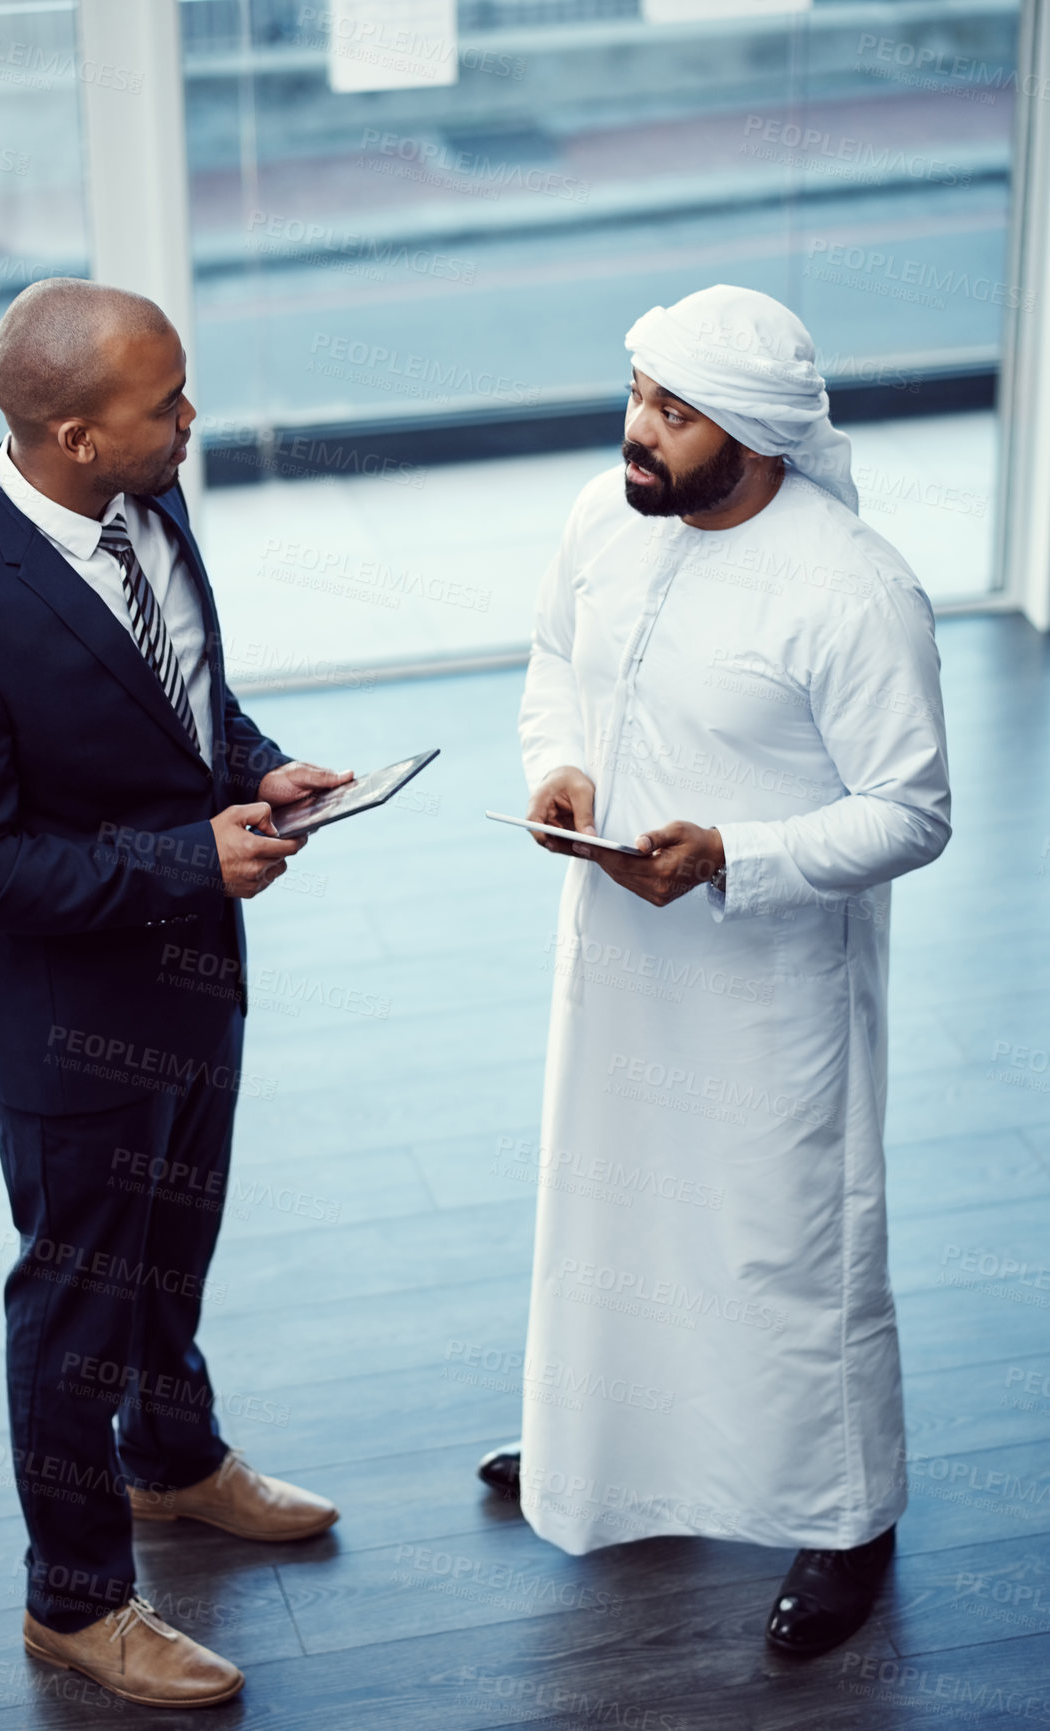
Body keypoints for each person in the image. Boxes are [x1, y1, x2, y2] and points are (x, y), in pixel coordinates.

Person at [0, 279, 353, 1708]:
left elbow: (188, 697)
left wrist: (253, 769)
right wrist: (182, 859)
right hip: (66, 1033)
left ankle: (173, 1460)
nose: (191, 421)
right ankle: (76, 1603)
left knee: (174, 1248)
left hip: (192, 983)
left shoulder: (144, 507)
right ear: (77, 435)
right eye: (165, 405)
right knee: (76, 1307)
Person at [477, 284, 950, 1656]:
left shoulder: (853, 590)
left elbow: (912, 811)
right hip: (617, 958)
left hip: (771, 990)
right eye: (636, 396)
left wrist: (732, 856)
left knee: (782, 1250)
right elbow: (558, 666)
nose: (638, 432)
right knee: (618, 1210)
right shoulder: (599, 518)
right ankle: (602, 1449)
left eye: (672, 416)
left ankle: (848, 1519)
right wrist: (556, 769)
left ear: (755, 438)